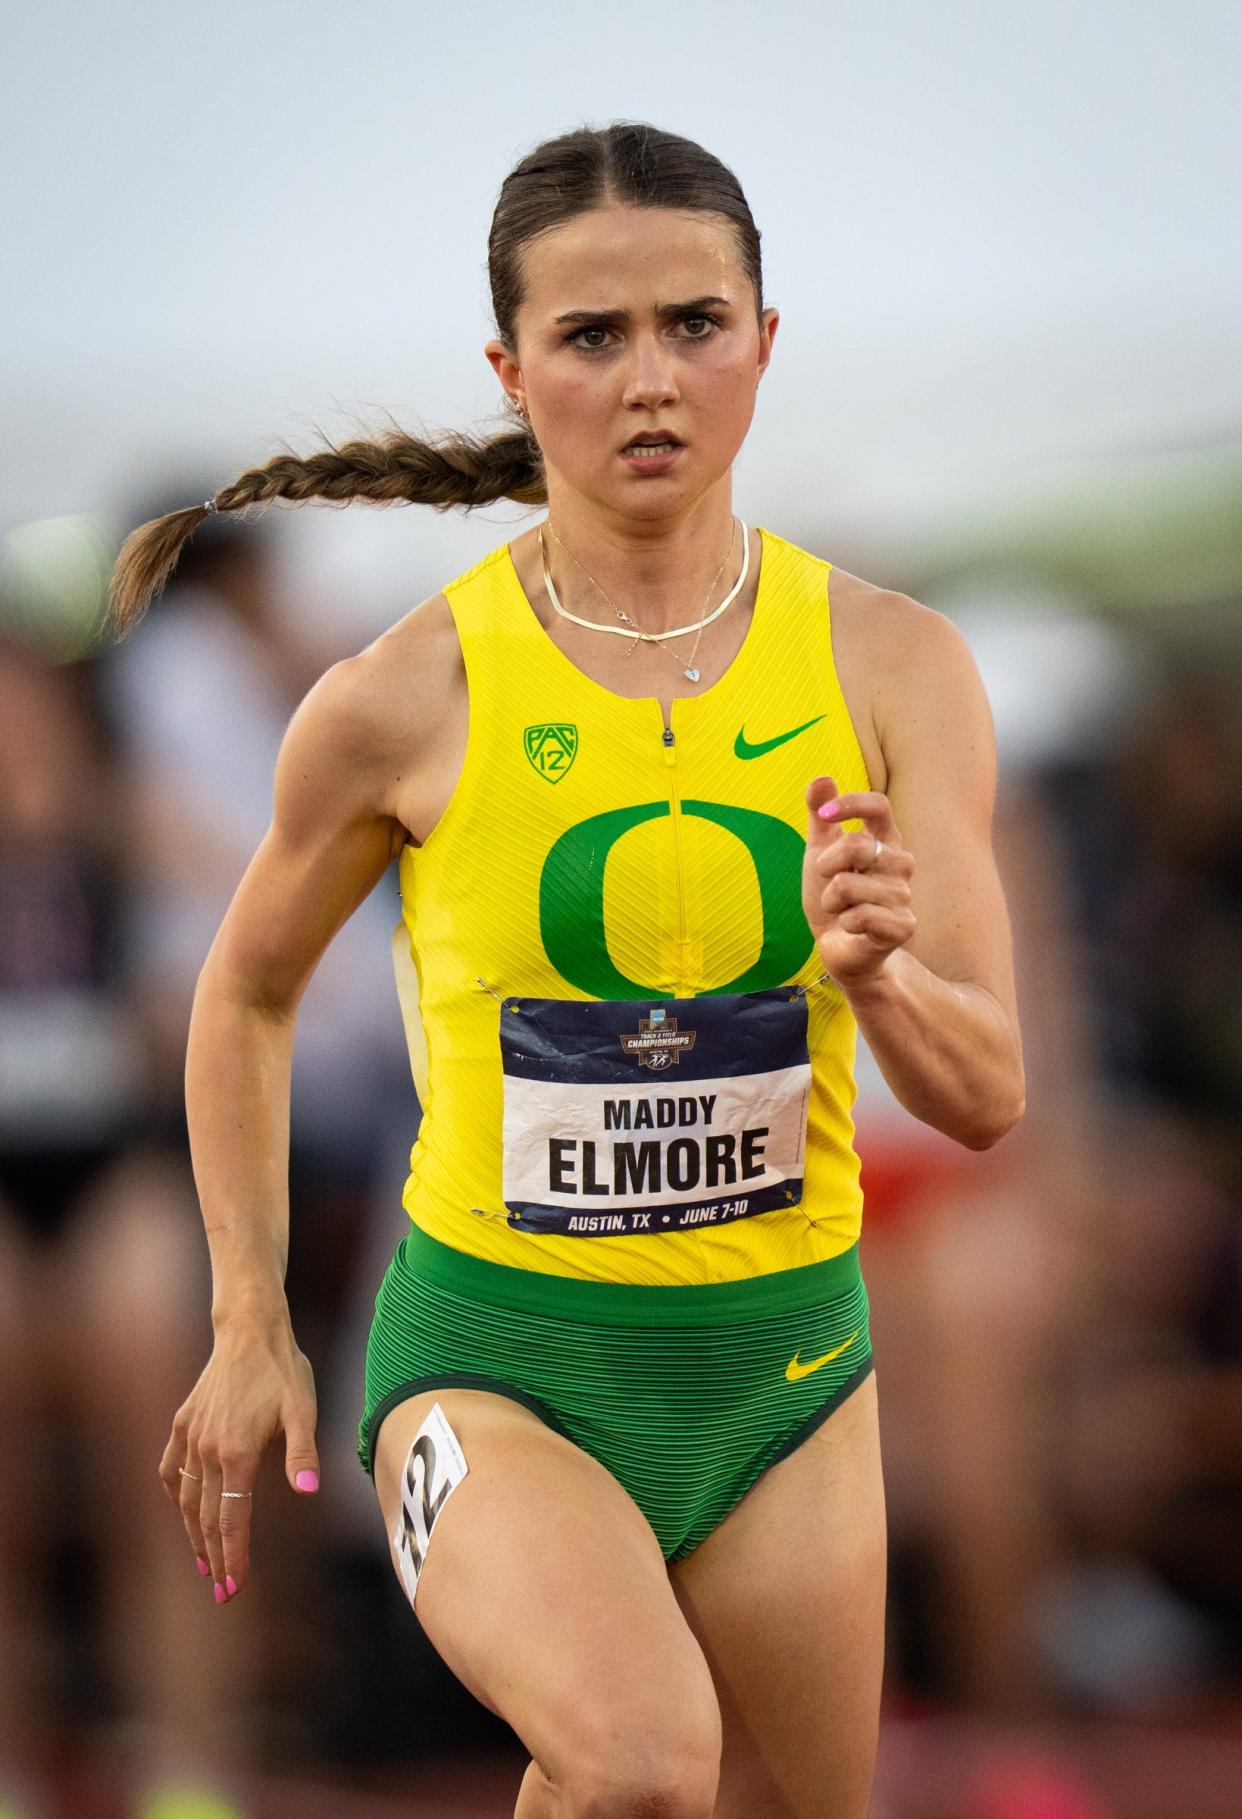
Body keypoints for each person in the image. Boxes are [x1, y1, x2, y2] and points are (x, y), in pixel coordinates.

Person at [104, 121, 1025, 1819]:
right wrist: (247, 1325)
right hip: (499, 1361)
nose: (651, 378)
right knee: (642, 1763)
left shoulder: (898, 665)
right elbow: (240, 995)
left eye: (693, 323)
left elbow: (986, 1098)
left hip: (788, 1373)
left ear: (764, 340)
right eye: (592, 338)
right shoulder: (406, 693)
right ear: (513, 371)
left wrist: (879, 979)